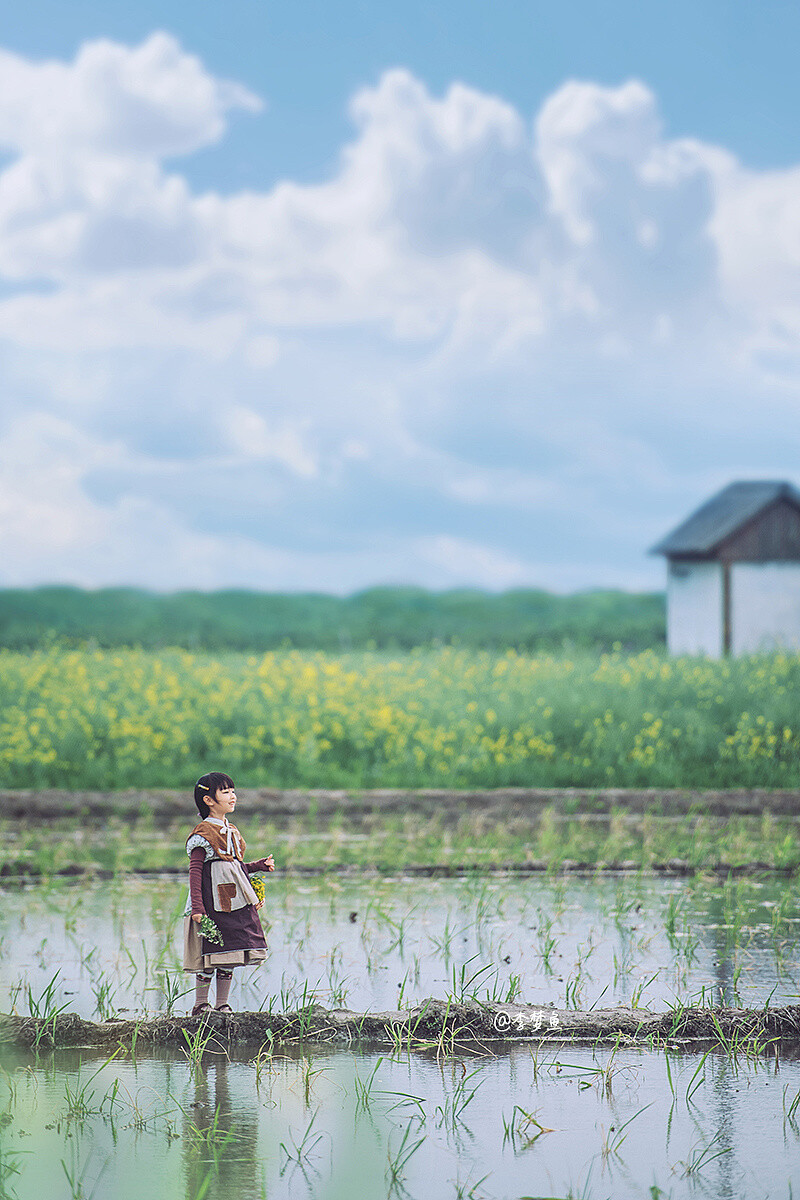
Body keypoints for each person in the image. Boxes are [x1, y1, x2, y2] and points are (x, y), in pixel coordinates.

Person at [183, 771, 275, 1014]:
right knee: (211, 953)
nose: (233, 796)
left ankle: (222, 1004)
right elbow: (195, 872)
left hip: (234, 900)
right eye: (226, 792)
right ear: (209, 800)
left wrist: (258, 866)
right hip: (212, 902)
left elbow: (234, 867)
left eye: (233, 791)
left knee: (230, 952)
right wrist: (198, 908)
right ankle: (201, 1005)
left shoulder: (231, 830)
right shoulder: (202, 834)